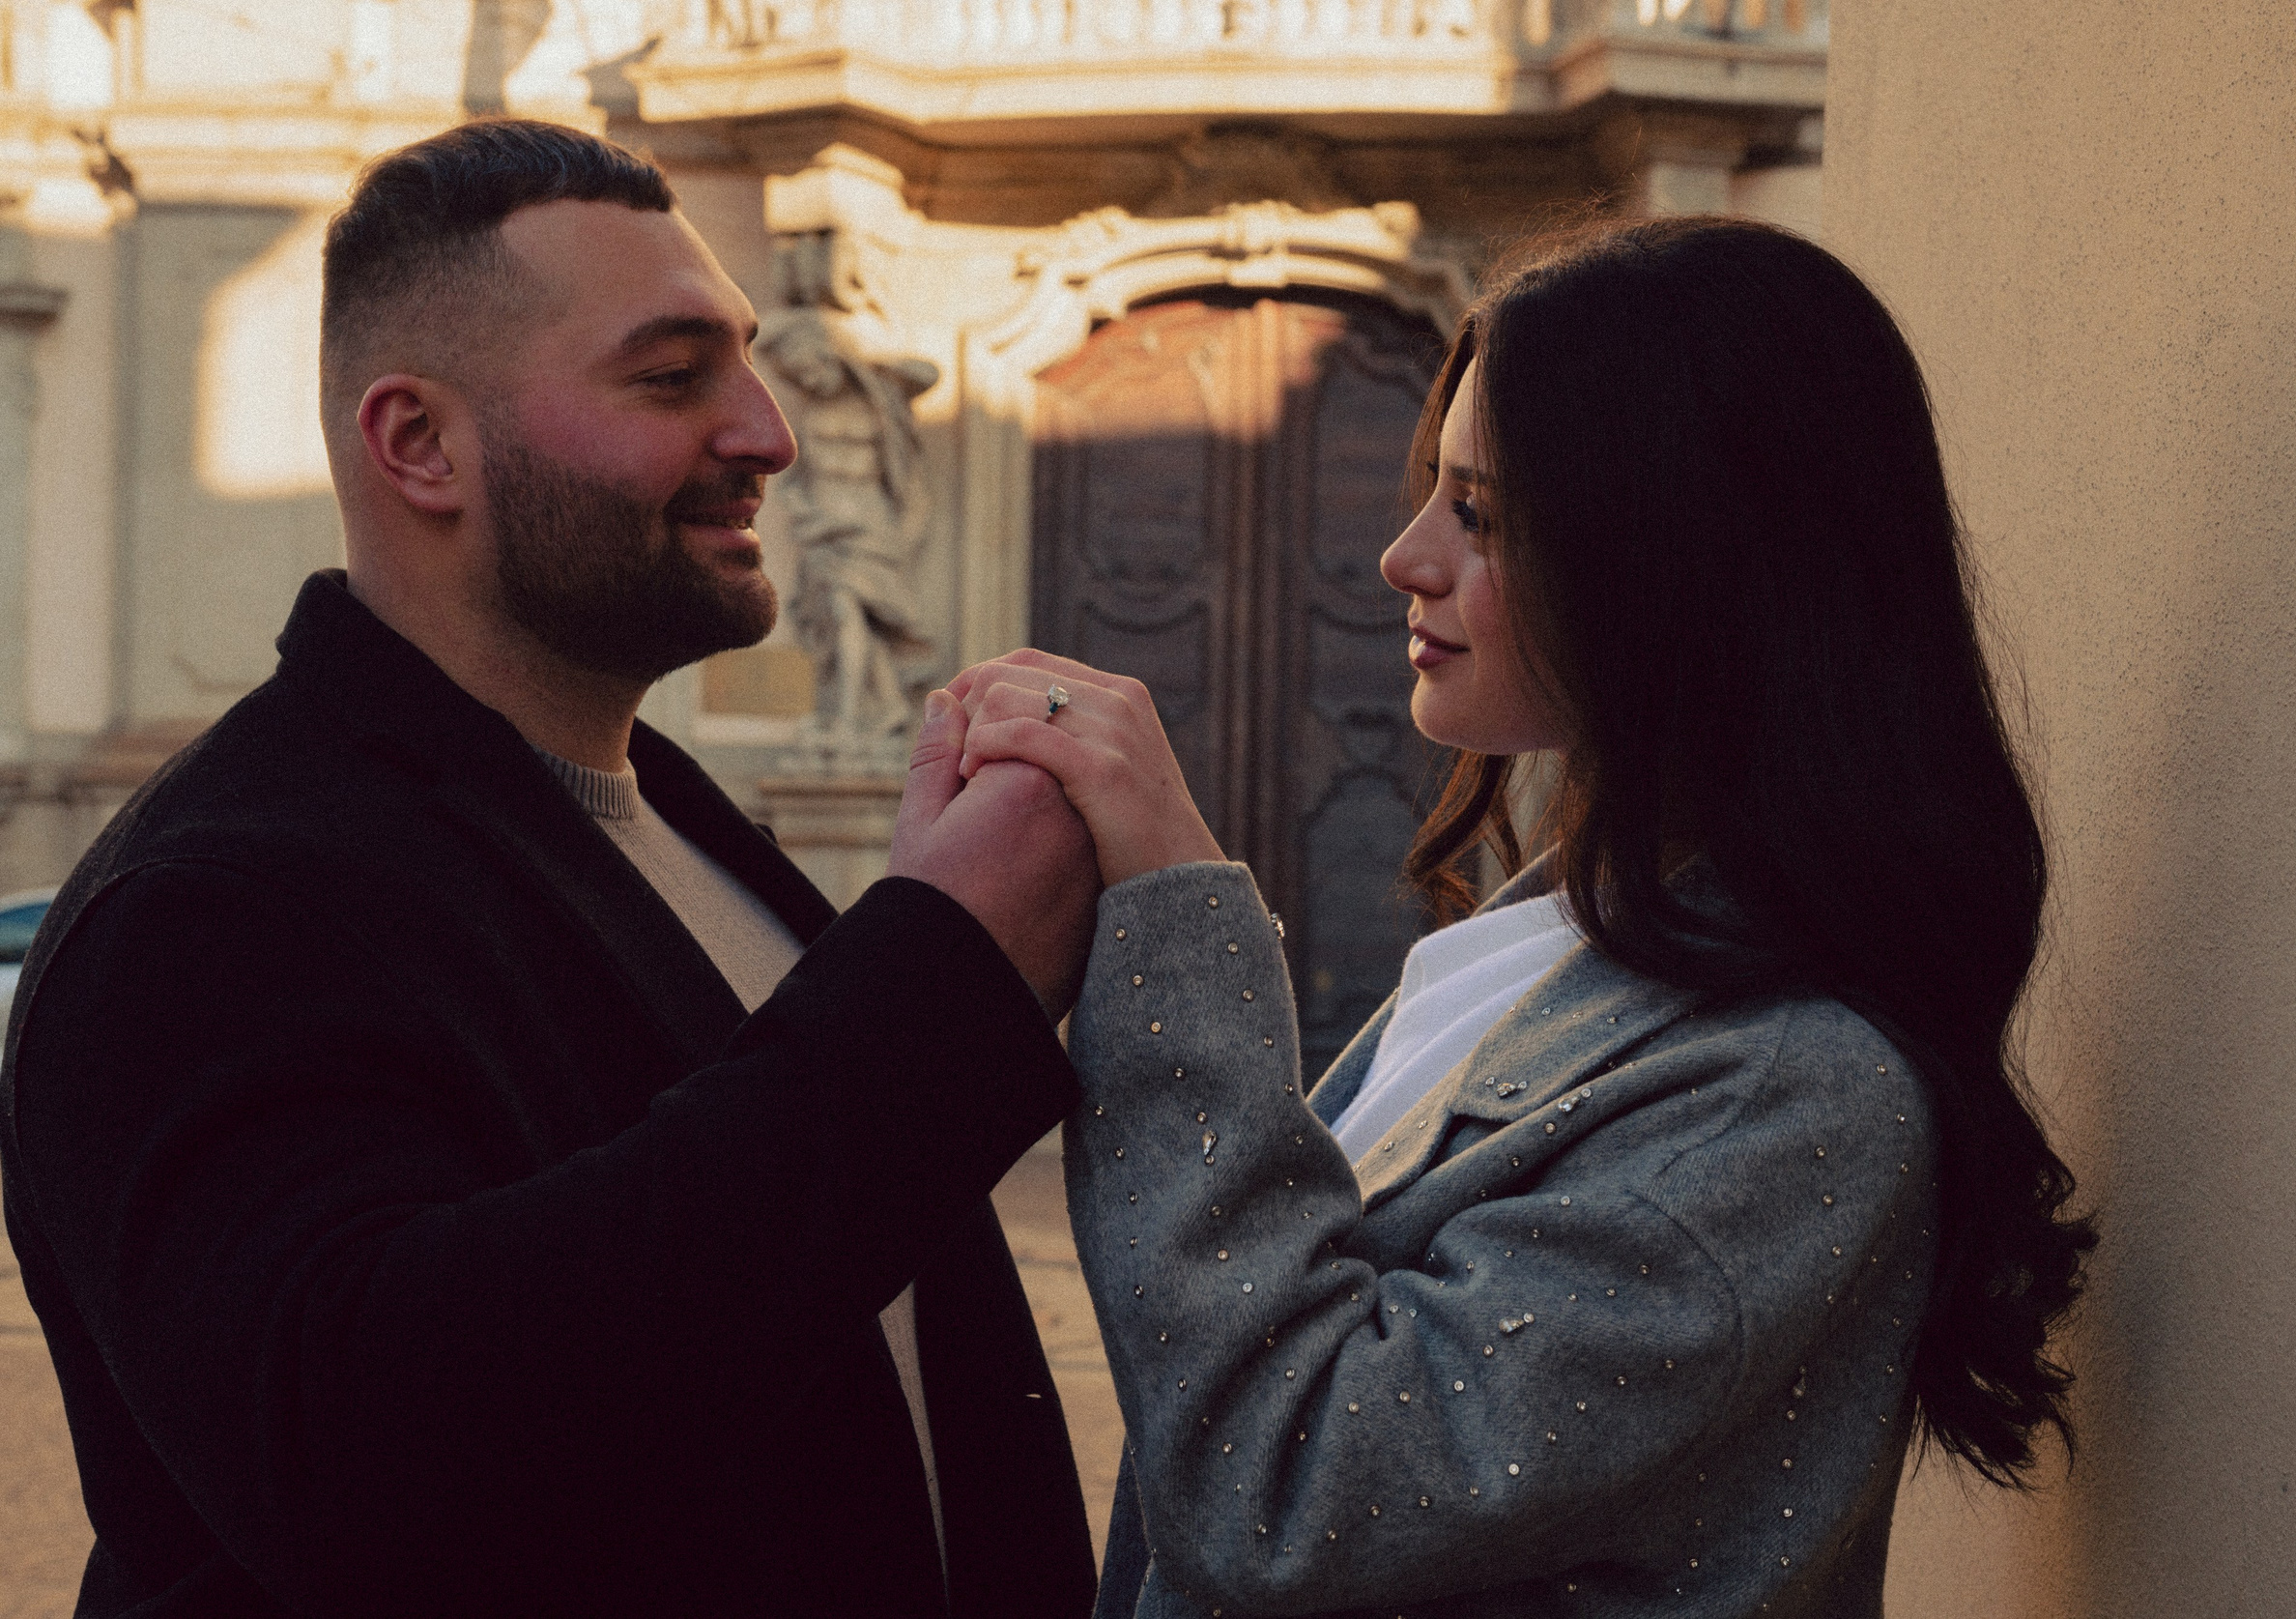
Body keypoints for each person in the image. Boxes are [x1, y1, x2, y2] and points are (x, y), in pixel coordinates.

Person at [0, 120, 1101, 1619]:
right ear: (419, 444)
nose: (770, 434)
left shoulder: (674, 818)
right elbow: (381, 1466)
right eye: (673, 377)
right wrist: (942, 982)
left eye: (748, 363)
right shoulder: (209, 904)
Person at [948, 217, 2096, 1618]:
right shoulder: (1559, 942)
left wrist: (1178, 923)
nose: (1402, 557)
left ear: (1683, 561)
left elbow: (1291, 1485)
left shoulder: (1791, 1090)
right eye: (1433, 492)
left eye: (1480, 516)